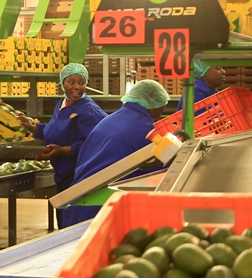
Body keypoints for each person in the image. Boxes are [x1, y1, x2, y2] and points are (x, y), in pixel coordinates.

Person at [64, 79, 172, 226]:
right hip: (99, 210)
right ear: (153, 105)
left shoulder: (110, 120)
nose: (161, 114)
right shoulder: (146, 129)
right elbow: (167, 167)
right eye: (162, 109)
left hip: (77, 204)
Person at [17, 63, 106, 229]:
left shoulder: (89, 111)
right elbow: (55, 130)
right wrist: (32, 127)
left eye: (81, 82)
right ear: (62, 83)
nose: (77, 87)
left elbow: (95, 146)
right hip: (63, 173)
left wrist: (62, 151)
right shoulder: (62, 104)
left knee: (74, 222)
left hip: (78, 174)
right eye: (71, 82)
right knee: (63, 217)